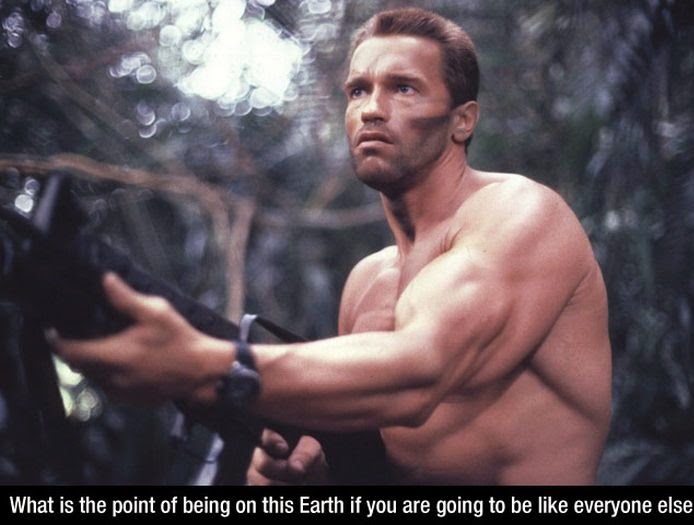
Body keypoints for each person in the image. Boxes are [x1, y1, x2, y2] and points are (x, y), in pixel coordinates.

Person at [53, 8, 611, 485]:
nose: (371, 109)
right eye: (358, 90)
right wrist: (312, 467)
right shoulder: (368, 284)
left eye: (403, 87)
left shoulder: (521, 214)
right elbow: (380, 460)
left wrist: (207, 364)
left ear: (462, 121)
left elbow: (421, 372)